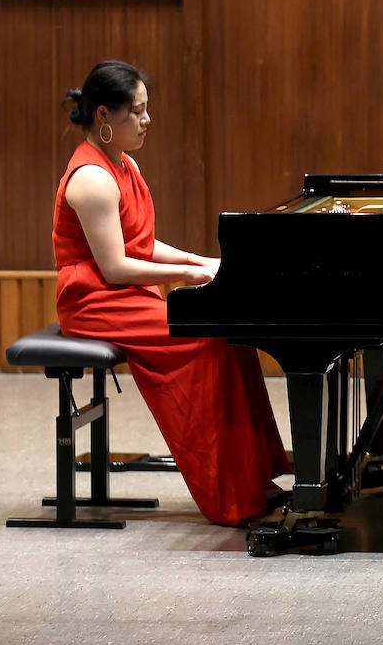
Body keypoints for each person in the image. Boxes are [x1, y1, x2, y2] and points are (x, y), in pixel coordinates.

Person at [53, 60, 289, 525]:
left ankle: (256, 476)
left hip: (124, 294)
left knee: (229, 334)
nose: (146, 120)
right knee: (205, 342)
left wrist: (199, 261)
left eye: (146, 109)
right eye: (136, 112)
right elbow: (115, 266)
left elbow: (141, 243)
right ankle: (230, 493)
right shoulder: (92, 180)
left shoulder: (124, 164)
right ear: (104, 117)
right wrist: (186, 275)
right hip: (94, 302)